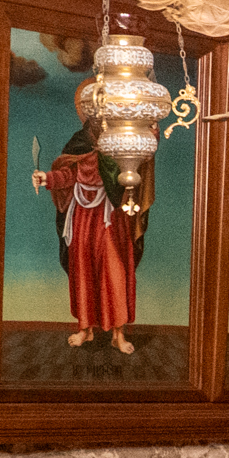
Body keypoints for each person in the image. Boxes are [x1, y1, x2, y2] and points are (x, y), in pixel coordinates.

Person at [34, 121, 146, 354]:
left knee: (114, 272)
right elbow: (69, 173)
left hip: (111, 218)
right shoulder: (80, 142)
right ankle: (86, 329)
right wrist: (47, 178)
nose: (101, 121)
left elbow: (135, 166)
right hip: (83, 217)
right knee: (83, 271)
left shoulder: (122, 142)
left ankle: (118, 333)